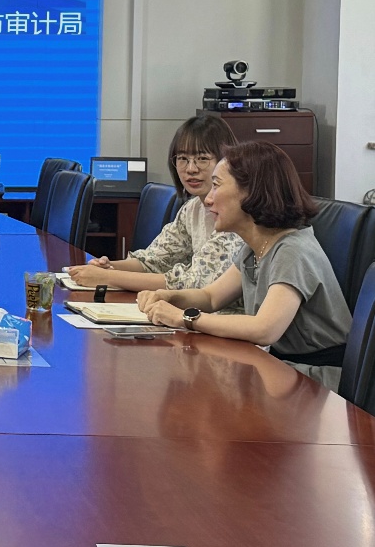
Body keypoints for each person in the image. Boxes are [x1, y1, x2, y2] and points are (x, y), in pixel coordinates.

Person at [137, 141, 352, 392]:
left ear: (251, 193)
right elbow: (211, 297)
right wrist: (170, 297)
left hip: (316, 382)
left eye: (216, 185)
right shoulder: (256, 245)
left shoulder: (293, 250)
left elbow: (265, 329)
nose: (208, 199)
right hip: (281, 371)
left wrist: (183, 318)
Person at [67, 115, 244, 300]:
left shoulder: (235, 214)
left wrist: (108, 278)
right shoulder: (192, 208)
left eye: (202, 158)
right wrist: (109, 267)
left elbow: (195, 282)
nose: (191, 168)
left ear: (225, 162)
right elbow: (155, 260)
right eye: (183, 158)